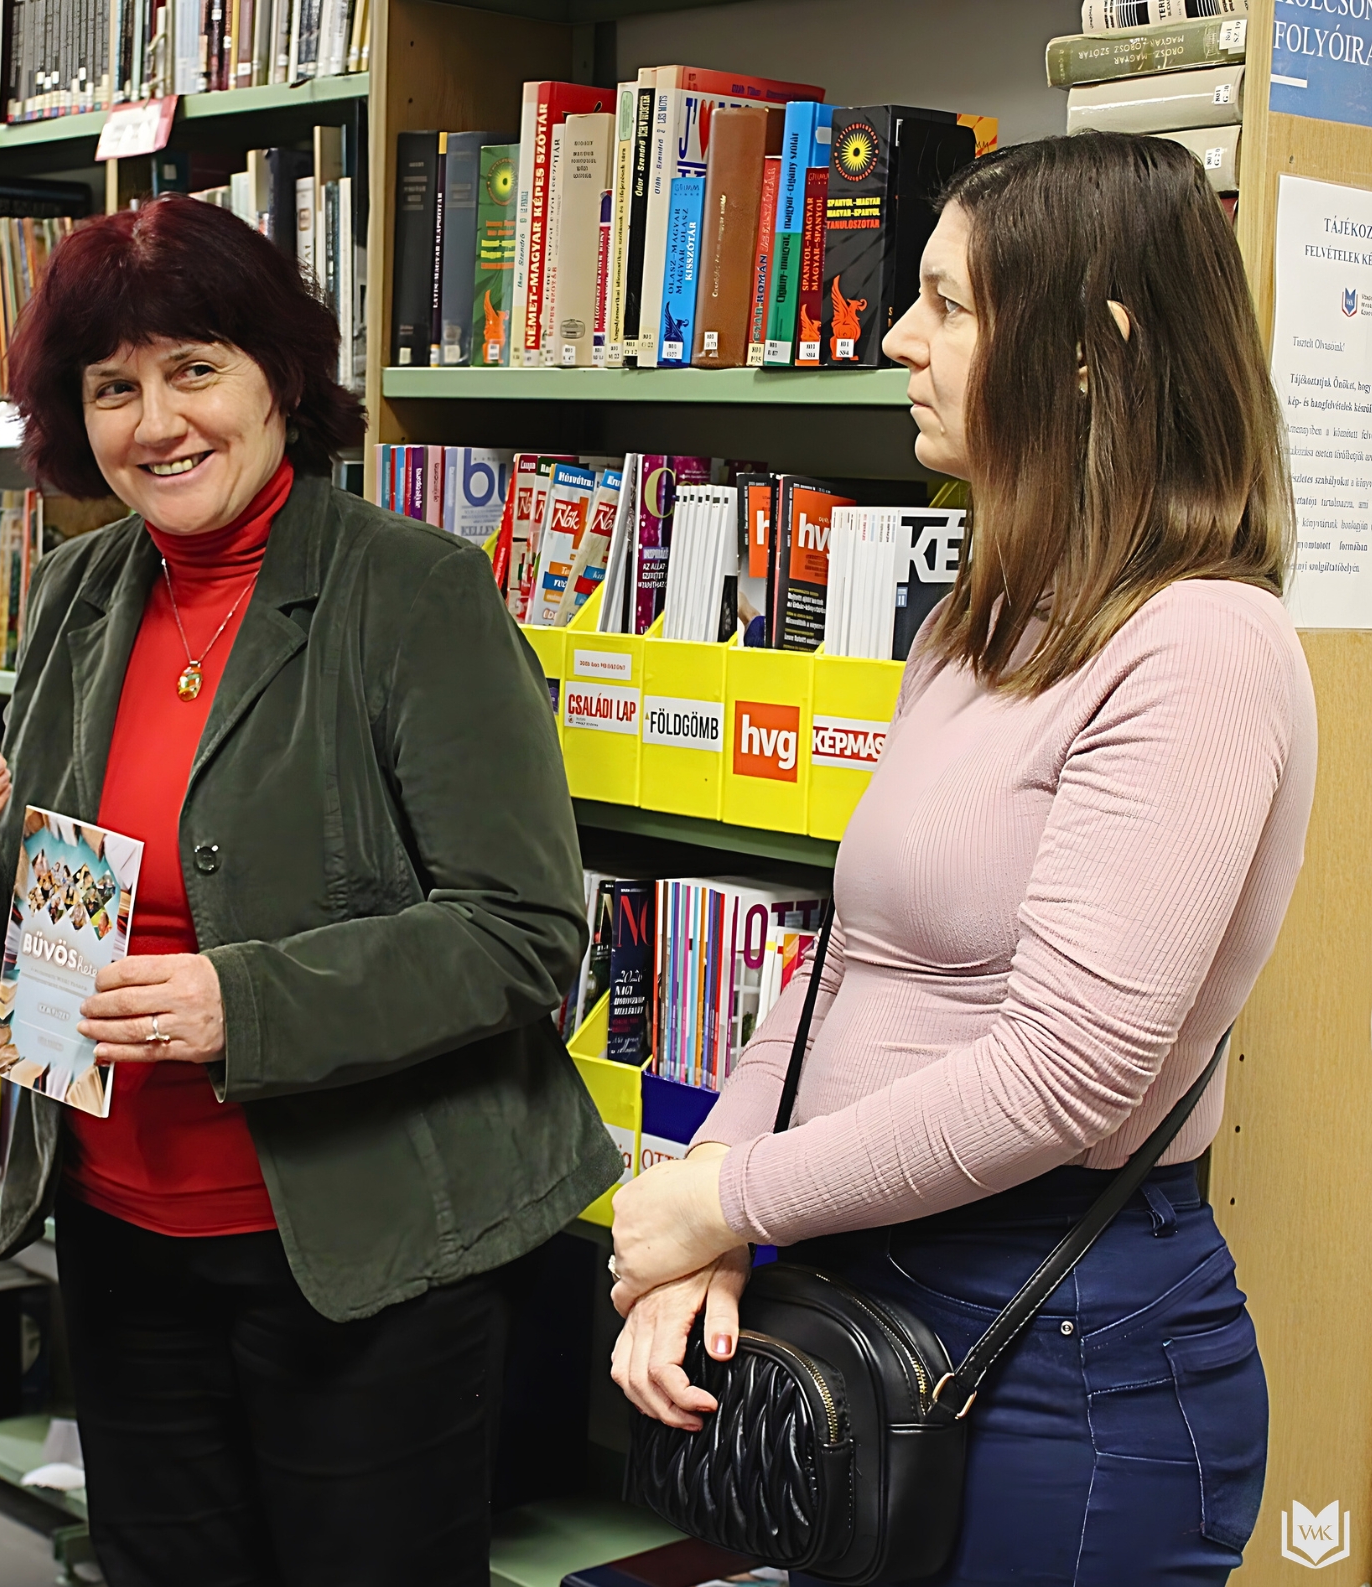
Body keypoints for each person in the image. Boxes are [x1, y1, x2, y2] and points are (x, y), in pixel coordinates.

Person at [604, 133, 1313, 1585]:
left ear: (1089, 349)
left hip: (1060, 1350)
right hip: (869, 1288)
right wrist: (712, 1220)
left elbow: (1069, 1074)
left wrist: (728, 1201)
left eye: (948, 303)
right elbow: (841, 970)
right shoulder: (972, 624)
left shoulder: (1200, 643)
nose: (896, 338)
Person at [0, 195, 618, 1587]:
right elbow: (58, 907)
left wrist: (245, 1002)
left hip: (363, 1251)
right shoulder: (79, 591)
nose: (155, 423)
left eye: (194, 369)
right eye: (112, 388)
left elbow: (520, 937)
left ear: (279, 375)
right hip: (120, 1226)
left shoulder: (416, 594)